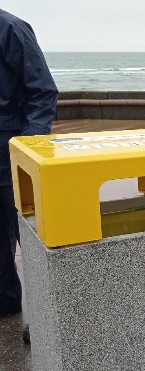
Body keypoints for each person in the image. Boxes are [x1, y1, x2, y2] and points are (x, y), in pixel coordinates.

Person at [0, 9, 58, 316]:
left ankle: (44, 319)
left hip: (12, 148)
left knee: (31, 235)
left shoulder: (10, 27)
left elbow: (43, 92)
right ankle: (5, 304)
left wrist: (26, 148)